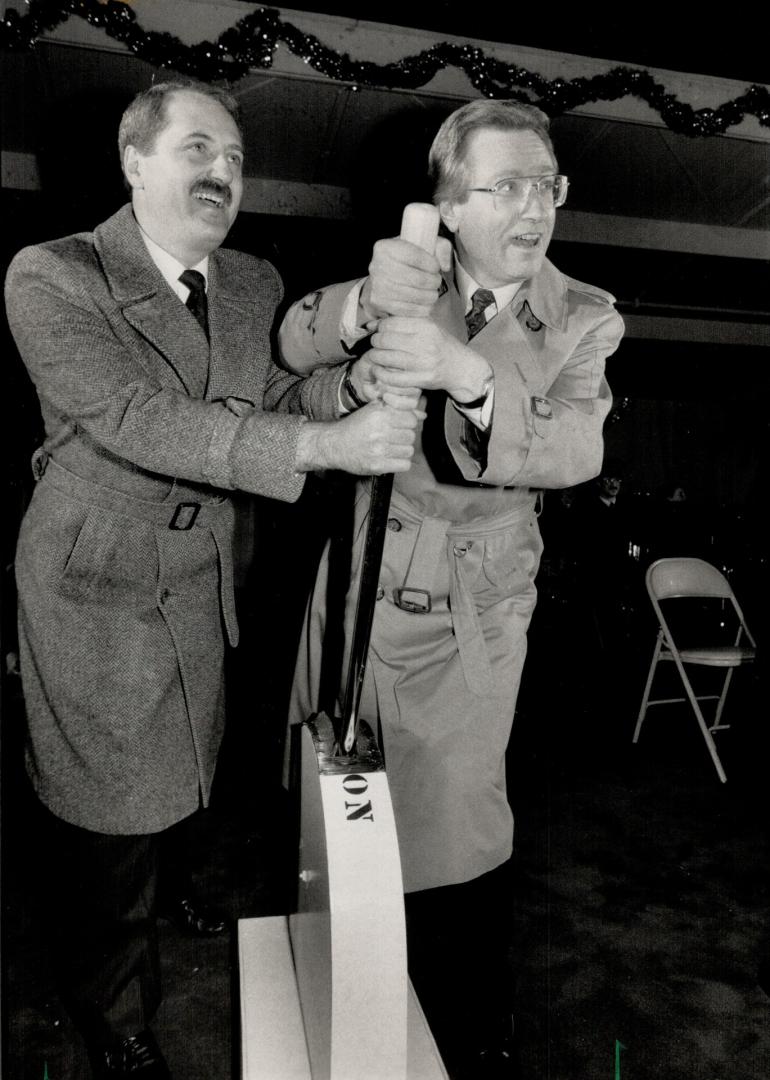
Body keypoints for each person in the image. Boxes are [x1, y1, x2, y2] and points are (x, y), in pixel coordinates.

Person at [3, 79, 419, 1080]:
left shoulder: (250, 282)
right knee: (107, 807)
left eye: (233, 157)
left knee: (186, 764)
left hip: (196, 566)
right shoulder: (53, 275)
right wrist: (325, 440)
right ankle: (118, 1017)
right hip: (93, 571)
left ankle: (167, 882)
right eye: (196, 148)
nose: (222, 171)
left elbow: (279, 390)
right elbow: (136, 418)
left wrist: (349, 384)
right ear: (133, 160)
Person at [268, 98, 625, 1077]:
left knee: (456, 858)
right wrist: (353, 323)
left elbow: (570, 446)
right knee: (341, 839)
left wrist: (461, 372)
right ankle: (356, 1030)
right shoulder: (401, 278)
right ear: (446, 202)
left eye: (541, 186)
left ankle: (475, 1037)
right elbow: (288, 357)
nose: (530, 208)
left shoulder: (582, 317)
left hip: (465, 629)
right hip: (350, 613)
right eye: (500, 186)